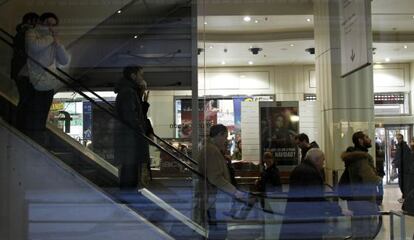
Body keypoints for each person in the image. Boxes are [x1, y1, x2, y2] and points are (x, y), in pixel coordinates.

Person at [20, 12, 70, 144]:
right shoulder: (32, 33)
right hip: (34, 80)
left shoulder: (53, 39)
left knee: (43, 113)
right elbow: (34, 47)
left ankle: (38, 139)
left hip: (49, 82)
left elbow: (64, 60)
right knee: (33, 112)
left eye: (54, 25)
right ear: (42, 23)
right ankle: (31, 139)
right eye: (48, 24)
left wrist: (58, 44)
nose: (51, 27)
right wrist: (51, 38)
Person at [195, 124, 245, 239]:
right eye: (225, 136)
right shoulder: (211, 151)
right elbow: (215, 177)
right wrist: (234, 191)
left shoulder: (210, 149)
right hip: (213, 201)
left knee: (218, 231)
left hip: (212, 200)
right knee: (219, 233)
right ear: (219, 135)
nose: (226, 140)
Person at [280, 148, 340, 239]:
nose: (323, 164)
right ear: (316, 160)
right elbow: (315, 198)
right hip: (307, 221)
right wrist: (336, 209)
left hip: (296, 218)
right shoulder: (311, 173)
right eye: (322, 161)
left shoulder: (299, 168)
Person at [341, 131, 381, 240]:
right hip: (364, 199)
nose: (370, 139)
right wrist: (379, 179)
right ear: (360, 140)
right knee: (365, 230)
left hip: (355, 198)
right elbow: (370, 179)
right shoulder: (361, 158)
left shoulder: (354, 157)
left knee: (358, 228)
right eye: (367, 137)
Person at [114, 66, 150, 190]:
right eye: (141, 75)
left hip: (130, 140)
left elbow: (136, 114)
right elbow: (130, 116)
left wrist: (140, 94)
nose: (142, 78)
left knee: (130, 173)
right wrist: (141, 132)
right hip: (130, 141)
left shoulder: (129, 91)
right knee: (130, 175)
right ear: (133, 76)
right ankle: (127, 202)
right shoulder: (128, 92)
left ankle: (128, 199)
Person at [11, 12, 39, 130]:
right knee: (26, 97)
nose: (36, 24)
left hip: (23, 71)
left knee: (26, 97)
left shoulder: (21, 33)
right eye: (35, 21)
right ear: (30, 21)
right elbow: (28, 50)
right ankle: (20, 124)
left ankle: (21, 123)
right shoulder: (25, 34)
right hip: (23, 71)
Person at [393, 133, 412, 203]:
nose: (398, 140)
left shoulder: (404, 147)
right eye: (397, 138)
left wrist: (396, 163)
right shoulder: (399, 146)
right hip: (402, 168)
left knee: (403, 183)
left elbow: (403, 158)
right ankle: (404, 196)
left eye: (399, 138)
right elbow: (397, 156)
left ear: (402, 138)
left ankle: (405, 197)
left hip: (405, 169)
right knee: (401, 183)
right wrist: (394, 162)